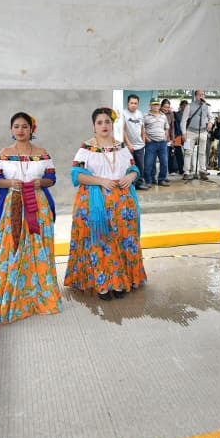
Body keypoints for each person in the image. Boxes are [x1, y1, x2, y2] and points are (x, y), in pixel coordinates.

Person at [64, 107, 147, 300]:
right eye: (99, 122)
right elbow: (77, 175)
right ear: (93, 126)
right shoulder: (86, 148)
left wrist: (131, 176)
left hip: (123, 205)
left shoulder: (121, 147)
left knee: (122, 241)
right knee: (100, 242)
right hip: (96, 203)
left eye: (107, 122)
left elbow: (133, 168)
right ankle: (102, 285)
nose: (104, 125)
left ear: (112, 124)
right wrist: (101, 181)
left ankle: (119, 282)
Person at [0, 112, 62, 323]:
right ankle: (14, 293)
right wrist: (10, 183)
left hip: (38, 207)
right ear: (11, 129)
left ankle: (40, 293)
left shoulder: (42, 153)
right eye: (16, 126)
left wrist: (41, 182)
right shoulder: (3, 154)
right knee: (13, 248)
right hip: (12, 207)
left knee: (38, 247)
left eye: (25, 126)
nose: (20, 130)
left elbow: (51, 178)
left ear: (31, 129)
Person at [122, 94, 151, 191]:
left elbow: (142, 128)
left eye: (135, 103)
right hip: (128, 146)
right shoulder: (123, 114)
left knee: (140, 166)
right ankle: (130, 185)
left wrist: (143, 141)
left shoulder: (139, 113)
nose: (133, 105)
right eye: (132, 103)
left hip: (140, 145)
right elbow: (123, 130)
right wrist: (128, 144)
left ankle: (139, 183)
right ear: (128, 103)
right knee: (129, 166)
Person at [182, 90, 212, 180]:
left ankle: (202, 171)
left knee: (202, 152)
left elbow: (211, 117)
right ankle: (186, 172)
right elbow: (183, 121)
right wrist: (184, 133)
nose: (201, 96)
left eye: (203, 95)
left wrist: (211, 122)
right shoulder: (189, 106)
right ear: (195, 96)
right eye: (199, 95)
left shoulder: (207, 106)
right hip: (190, 132)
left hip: (203, 132)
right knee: (188, 152)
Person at [143, 100, 170, 186]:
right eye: (154, 105)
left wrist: (166, 137)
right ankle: (148, 181)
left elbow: (166, 127)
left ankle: (161, 180)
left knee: (164, 162)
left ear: (159, 106)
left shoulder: (163, 116)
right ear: (150, 105)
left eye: (157, 105)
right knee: (148, 163)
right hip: (151, 143)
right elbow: (142, 129)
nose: (156, 106)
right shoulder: (145, 116)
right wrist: (147, 138)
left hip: (162, 143)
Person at [173, 99, 187, 175]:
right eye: (183, 105)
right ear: (180, 106)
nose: (184, 107)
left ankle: (186, 169)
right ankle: (180, 169)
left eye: (186, 106)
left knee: (187, 152)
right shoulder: (176, 114)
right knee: (178, 152)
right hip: (178, 136)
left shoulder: (189, 115)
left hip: (186, 136)